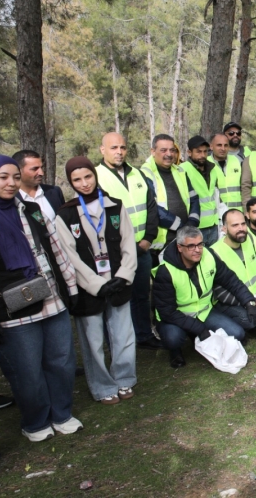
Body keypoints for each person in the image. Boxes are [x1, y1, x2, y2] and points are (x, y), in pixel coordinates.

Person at [0, 155, 82, 441]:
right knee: (27, 371)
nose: (11, 183)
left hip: (51, 300)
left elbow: (57, 250)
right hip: (12, 311)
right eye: (3, 177)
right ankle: (35, 422)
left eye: (14, 177)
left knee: (61, 361)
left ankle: (62, 413)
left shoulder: (31, 209)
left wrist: (70, 288)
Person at [56, 157, 137, 406]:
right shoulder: (65, 213)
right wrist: (96, 284)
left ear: (95, 175)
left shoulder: (115, 206)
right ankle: (102, 386)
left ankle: (124, 378)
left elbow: (128, 243)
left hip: (118, 281)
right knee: (93, 340)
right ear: (71, 182)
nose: (84, 183)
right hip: (89, 287)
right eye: (77, 179)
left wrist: (123, 276)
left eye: (88, 177)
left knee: (123, 335)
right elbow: (69, 256)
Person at [153, 225, 256, 368]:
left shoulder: (209, 256)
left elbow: (231, 281)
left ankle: (195, 333)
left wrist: (249, 302)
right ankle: (176, 351)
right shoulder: (165, 272)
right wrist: (199, 329)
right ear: (179, 247)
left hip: (204, 311)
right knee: (173, 338)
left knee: (237, 333)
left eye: (200, 244)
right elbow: (167, 312)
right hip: (176, 317)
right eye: (191, 246)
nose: (197, 250)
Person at [97, 132, 162, 350]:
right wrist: (123, 247)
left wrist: (148, 239)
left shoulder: (137, 174)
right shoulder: (96, 176)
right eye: (114, 148)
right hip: (116, 252)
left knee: (141, 296)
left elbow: (151, 207)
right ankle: (120, 343)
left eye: (122, 148)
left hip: (142, 248)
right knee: (119, 298)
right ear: (102, 150)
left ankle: (144, 335)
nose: (119, 152)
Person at [210, 209, 256, 308]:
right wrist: (249, 302)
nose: (241, 228)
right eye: (235, 225)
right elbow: (219, 292)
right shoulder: (214, 252)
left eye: (243, 224)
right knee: (252, 321)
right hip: (234, 303)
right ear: (224, 229)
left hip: (255, 297)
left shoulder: (248, 241)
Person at [141, 134, 200, 253]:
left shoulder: (179, 171)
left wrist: (192, 223)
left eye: (172, 150)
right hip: (161, 242)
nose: (169, 154)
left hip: (184, 238)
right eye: (163, 150)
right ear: (153, 151)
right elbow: (152, 207)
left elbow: (193, 198)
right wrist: (180, 226)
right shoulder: (145, 173)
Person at [182, 136, 221, 246]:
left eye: (205, 151)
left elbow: (214, 196)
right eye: (198, 152)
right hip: (196, 227)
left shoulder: (212, 169)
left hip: (214, 224)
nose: (203, 155)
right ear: (189, 152)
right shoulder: (183, 169)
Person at [12, 150, 64, 221]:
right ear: (18, 170)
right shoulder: (11, 198)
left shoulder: (54, 192)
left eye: (41, 168)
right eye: (34, 169)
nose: (41, 173)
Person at [210, 132, 244, 211]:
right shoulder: (206, 164)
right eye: (219, 145)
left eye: (226, 145)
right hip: (217, 214)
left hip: (238, 212)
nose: (223, 148)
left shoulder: (237, 161)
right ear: (211, 146)